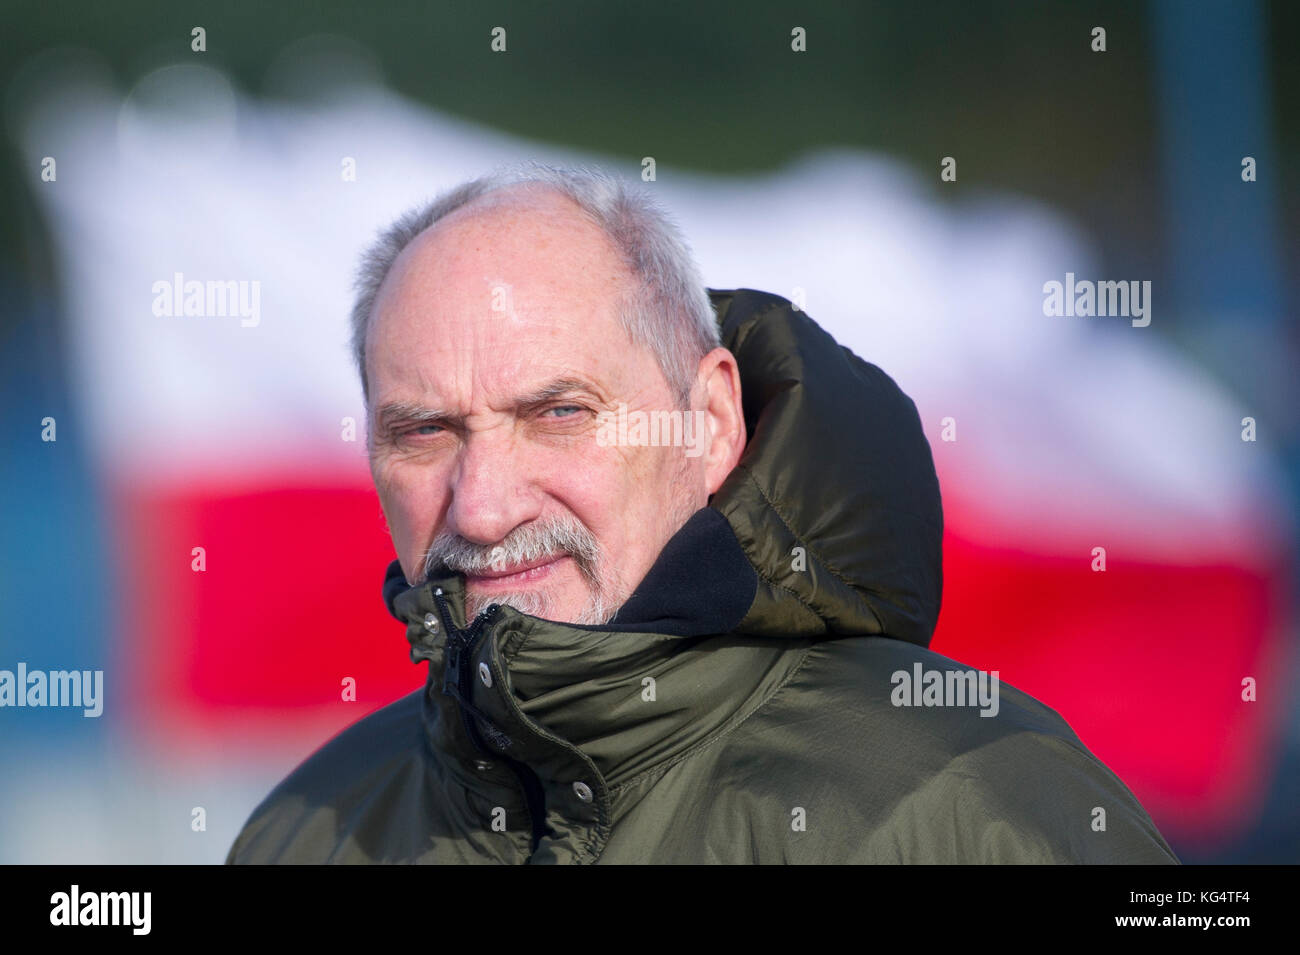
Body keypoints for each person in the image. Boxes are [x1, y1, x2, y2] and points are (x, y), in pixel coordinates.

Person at [226, 161, 1179, 864]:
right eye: (425, 432)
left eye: (558, 413)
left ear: (711, 421)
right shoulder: (303, 834)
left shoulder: (972, 811)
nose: (479, 506)